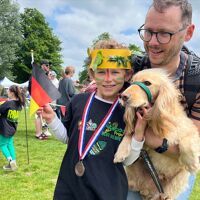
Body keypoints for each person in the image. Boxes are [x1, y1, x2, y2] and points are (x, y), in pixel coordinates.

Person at [39, 39, 149, 200]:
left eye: (115, 72)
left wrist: (139, 134)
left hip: (108, 191)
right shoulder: (78, 101)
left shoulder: (129, 110)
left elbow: (127, 161)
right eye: (101, 72)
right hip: (69, 187)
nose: (108, 79)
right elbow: (69, 139)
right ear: (91, 74)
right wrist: (51, 119)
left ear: (127, 75)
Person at [127, 0, 200, 199]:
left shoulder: (197, 78)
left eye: (164, 34)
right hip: (135, 164)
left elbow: (192, 148)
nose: (152, 42)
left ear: (188, 32)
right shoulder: (132, 69)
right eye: (148, 31)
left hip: (176, 171)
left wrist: (151, 139)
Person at [0, 85, 26, 171]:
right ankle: (13, 161)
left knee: (2, 145)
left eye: (8, 90)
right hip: (12, 128)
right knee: (10, 144)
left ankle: (11, 161)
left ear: (12, 93)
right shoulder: (19, 104)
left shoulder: (8, 103)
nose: (7, 92)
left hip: (4, 129)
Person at [28, 59, 50, 140]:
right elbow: (31, 85)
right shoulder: (37, 73)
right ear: (43, 65)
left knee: (41, 115)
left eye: (48, 65)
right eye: (47, 65)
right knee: (38, 115)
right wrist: (34, 95)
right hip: (37, 96)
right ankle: (38, 133)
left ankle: (41, 132)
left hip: (41, 96)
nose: (48, 67)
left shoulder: (43, 74)